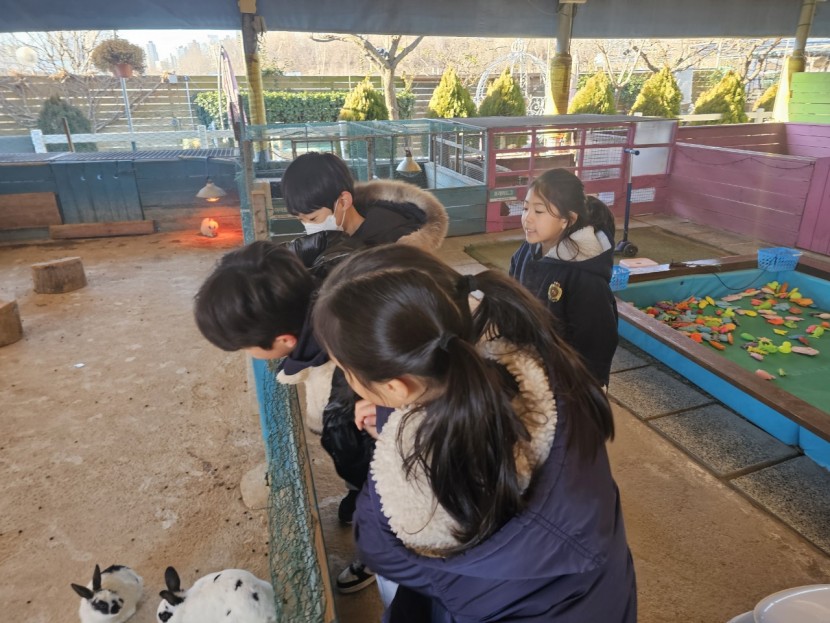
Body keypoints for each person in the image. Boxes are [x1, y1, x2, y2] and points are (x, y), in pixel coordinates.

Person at [312, 244, 637, 623]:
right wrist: (396, 414)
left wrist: (394, 433)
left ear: (398, 386)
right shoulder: (534, 370)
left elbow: (382, 546)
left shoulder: (427, 491)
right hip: (595, 597)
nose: (347, 380)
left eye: (345, 370)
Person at [510, 167, 619, 386]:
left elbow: (597, 346)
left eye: (538, 211)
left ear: (567, 219)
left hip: (567, 383)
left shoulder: (585, 277)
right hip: (529, 369)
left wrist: (580, 390)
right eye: (525, 208)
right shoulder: (526, 252)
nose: (527, 218)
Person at [280, 151, 448, 249]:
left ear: (344, 201)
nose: (308, 228)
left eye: (313, 219)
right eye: (301, 220)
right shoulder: (332, 237)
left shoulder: (394, 242)